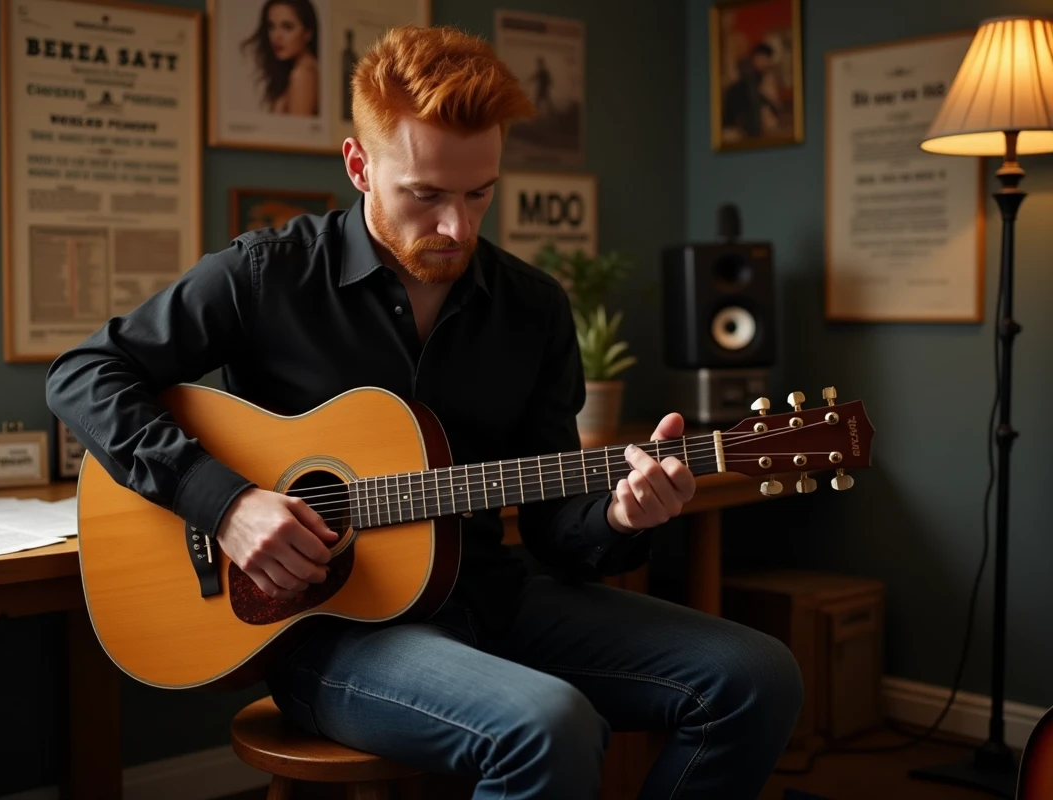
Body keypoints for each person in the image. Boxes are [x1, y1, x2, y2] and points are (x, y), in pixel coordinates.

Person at [46, 24, 803, 800]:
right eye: (426, 195)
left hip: (492, 597)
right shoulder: (264, 277)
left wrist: (621, 518)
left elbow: (557, 534)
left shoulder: (532, 308)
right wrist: (226, 503)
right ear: (358, 165)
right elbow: (83, 375)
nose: (457, 228)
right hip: (331, 633)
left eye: (480, 194)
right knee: (548, 725)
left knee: (757, 675)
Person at [240, 0, 319, 116]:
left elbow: (298, 132)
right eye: (272, 26)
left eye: (287, 27)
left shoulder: (302, 73)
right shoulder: (296, 69)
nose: (276, 36)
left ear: (308, 33)